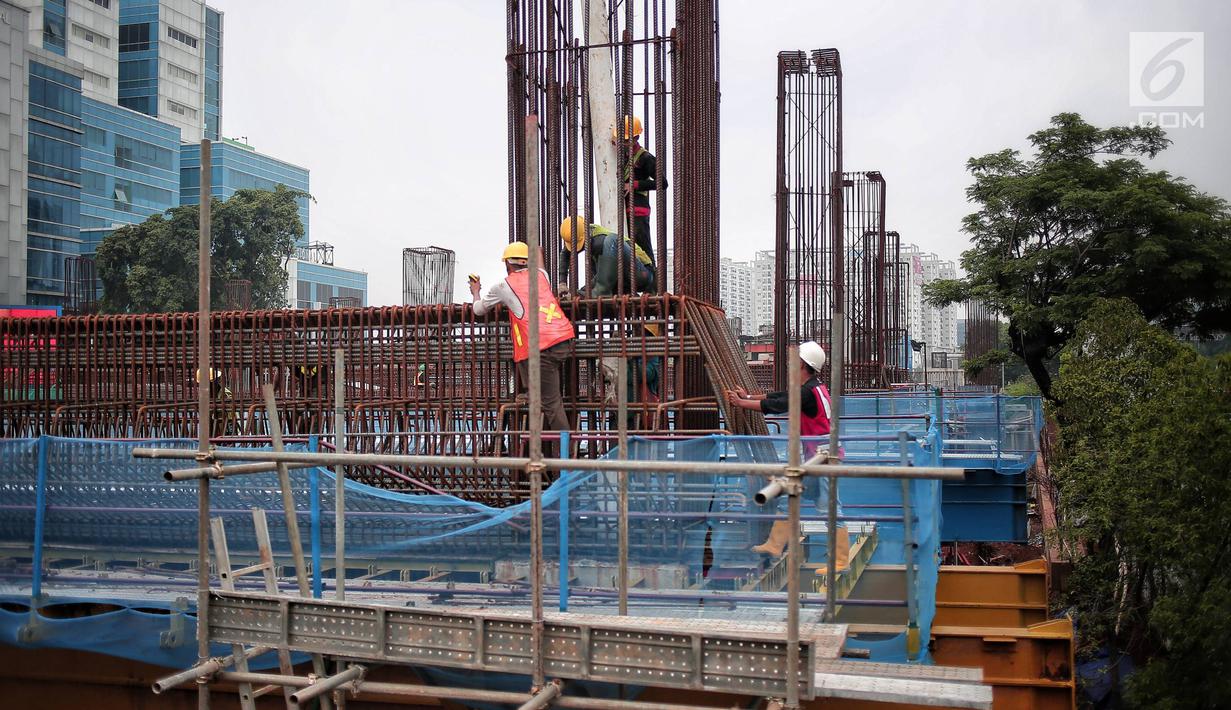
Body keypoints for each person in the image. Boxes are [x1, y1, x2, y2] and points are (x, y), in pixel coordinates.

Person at [726, 341, 848, 574]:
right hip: (818, 456)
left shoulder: (807, 393)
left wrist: (743, 403)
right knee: (790, 495)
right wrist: (749, 396)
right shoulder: (814, 388)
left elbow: (780, 404)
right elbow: (781, 396)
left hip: (824, 458)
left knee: (829, 508)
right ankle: (774, 544)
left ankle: (840, 560)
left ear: (802, 364)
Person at [470, 242, 575, 447]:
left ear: (507, 266)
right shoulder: (541, 276)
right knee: (524, 356)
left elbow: (478, 310)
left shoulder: (503, 286)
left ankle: (566, 458)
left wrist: (475, 291)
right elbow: (540, 260)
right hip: (564, 340)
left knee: (552, 404)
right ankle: (531, 392)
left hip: (543, 348)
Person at [557, 217, 655, 296]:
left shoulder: (599, 241)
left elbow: (601, 274)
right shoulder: (581, 233)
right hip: (625, 279)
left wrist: (579, 293)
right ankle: (613, 291)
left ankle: (602, 291)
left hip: (643, 274)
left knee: (612, 240)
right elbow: (565, 254)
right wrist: (562, 283)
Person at [614, 116, 665, 267]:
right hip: (625, 208)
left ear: (635, 138)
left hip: (638, 210)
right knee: (626, 249)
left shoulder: (646, 158)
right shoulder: (624, 155)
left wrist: (633, 185)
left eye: (624, 139)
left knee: (643, 250)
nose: (621, 142)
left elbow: (662, 183)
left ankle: (654, 284)